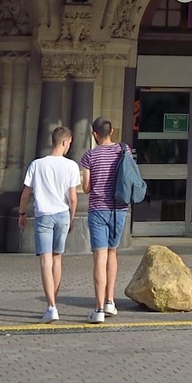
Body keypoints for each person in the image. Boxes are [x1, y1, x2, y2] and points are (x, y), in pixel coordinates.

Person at [18, 122, 81, 321]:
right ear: (64, 142)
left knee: (45, 260)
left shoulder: (37, 165)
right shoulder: (71, 166)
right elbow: (73, 197)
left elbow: (26, 193)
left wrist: (21, 213)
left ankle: (51, 307)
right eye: (69, 143)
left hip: (43, 214)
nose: (69, 146)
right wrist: (72, 217)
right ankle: (55, 301)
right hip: (63, 214)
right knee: (57, 259)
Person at [81, 116, 128, 322]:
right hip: (119, 209)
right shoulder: (123, 151)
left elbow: (86, 188)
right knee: (112, 254)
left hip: (98, 209)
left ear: (94, 134)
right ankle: (110, 301)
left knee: (99, 258)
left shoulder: (89, 156)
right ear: (112, 131)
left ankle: (99, 309)